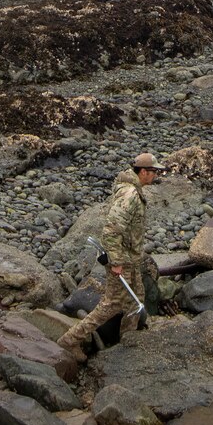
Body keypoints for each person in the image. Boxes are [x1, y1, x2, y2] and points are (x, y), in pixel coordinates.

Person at [61, 151, 160, 357]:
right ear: (143, 172)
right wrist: (115, 261)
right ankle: (69, 340)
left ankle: (128, 340)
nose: (156, 175)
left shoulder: (133, 190)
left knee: (136, 299)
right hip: (122, 259)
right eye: (153, 171)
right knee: (111, 304)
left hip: (131, 259)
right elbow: (112, 229)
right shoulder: (130, 194)